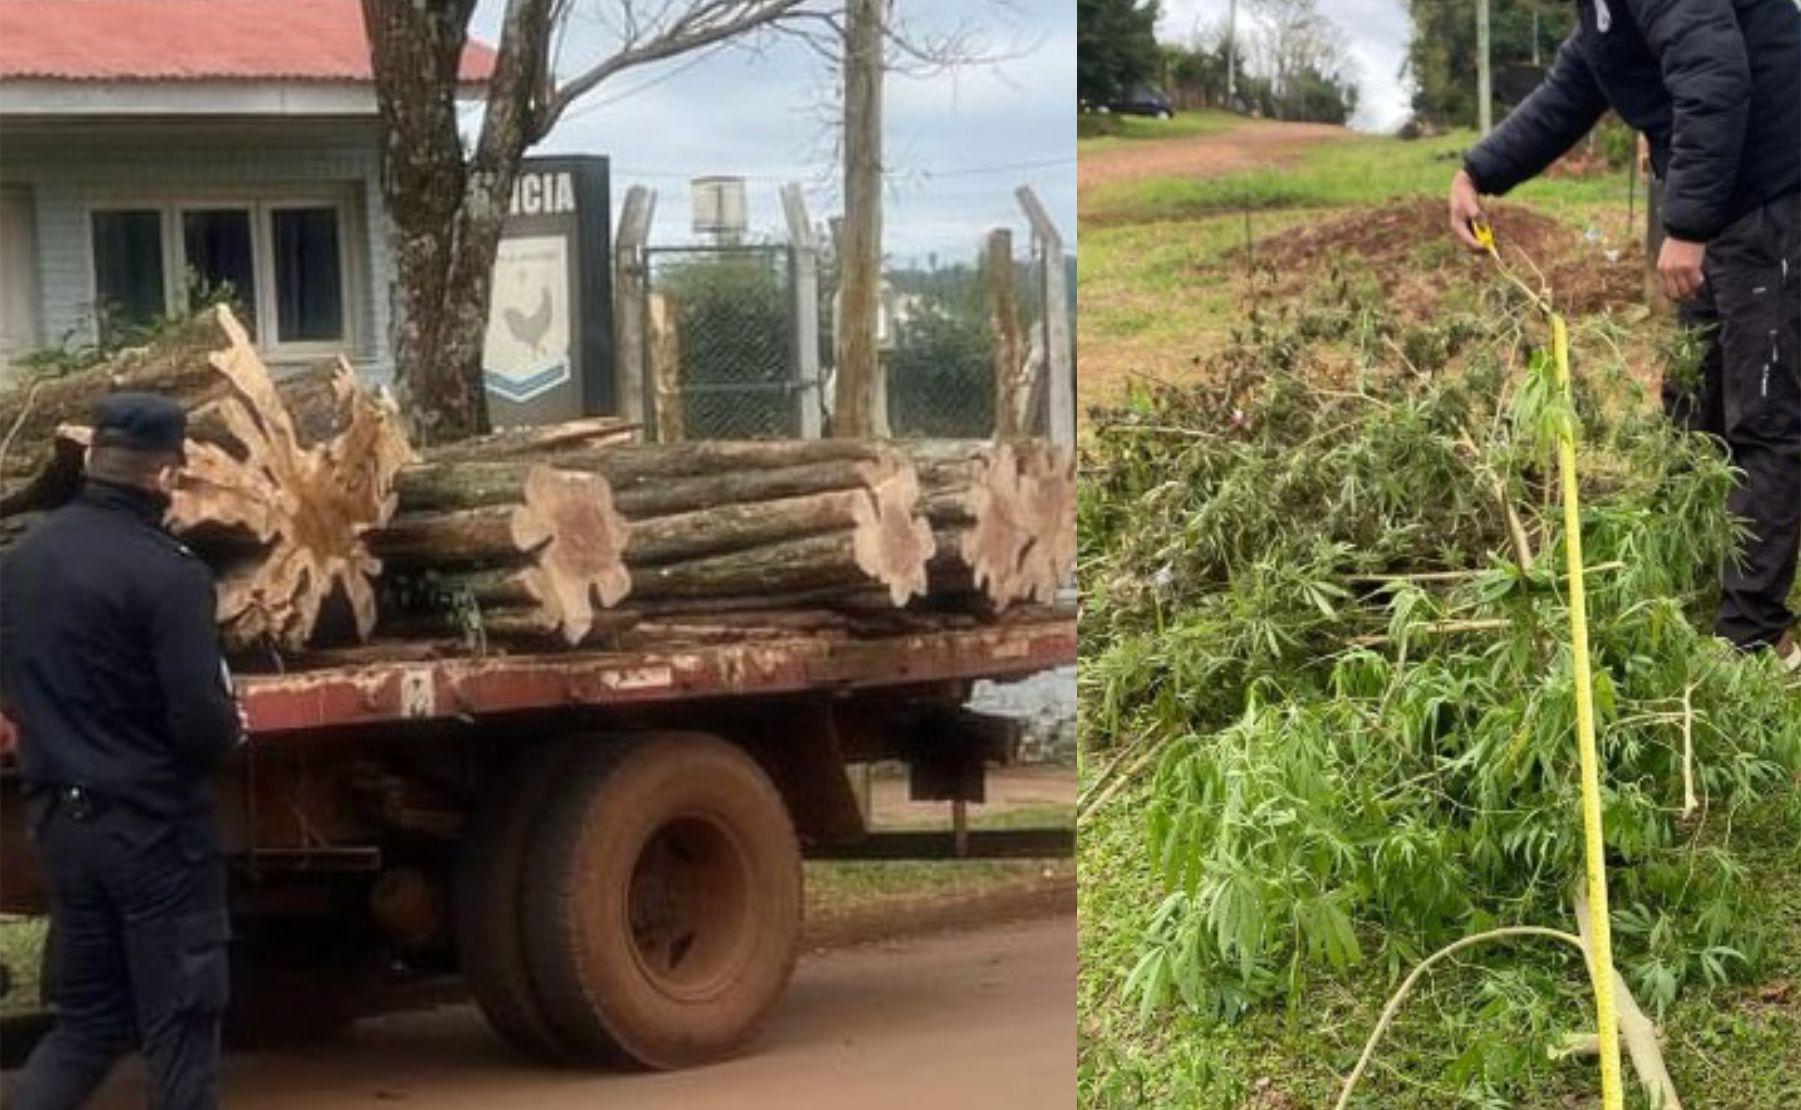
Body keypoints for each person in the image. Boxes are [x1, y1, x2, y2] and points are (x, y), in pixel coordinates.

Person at [1447, 0, 1801, 669]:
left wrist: (1686, 225)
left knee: (1761, 412)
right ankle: (1693, 581)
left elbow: (1714, 72)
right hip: (1723, 200)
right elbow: (1573, 87)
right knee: (1693, 403)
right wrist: (1478, 171)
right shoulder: (1603, 10)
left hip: (1770, 195)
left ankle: (1754, 640)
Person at [0, 394, 243, 1109]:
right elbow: (201, 723)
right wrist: (228, 730)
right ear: (166, 475)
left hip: (61, 825)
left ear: (93, 460)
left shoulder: (22, 562)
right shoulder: (170, 574)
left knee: (88, 1025)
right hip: (153, 832)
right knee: (182, 1027)